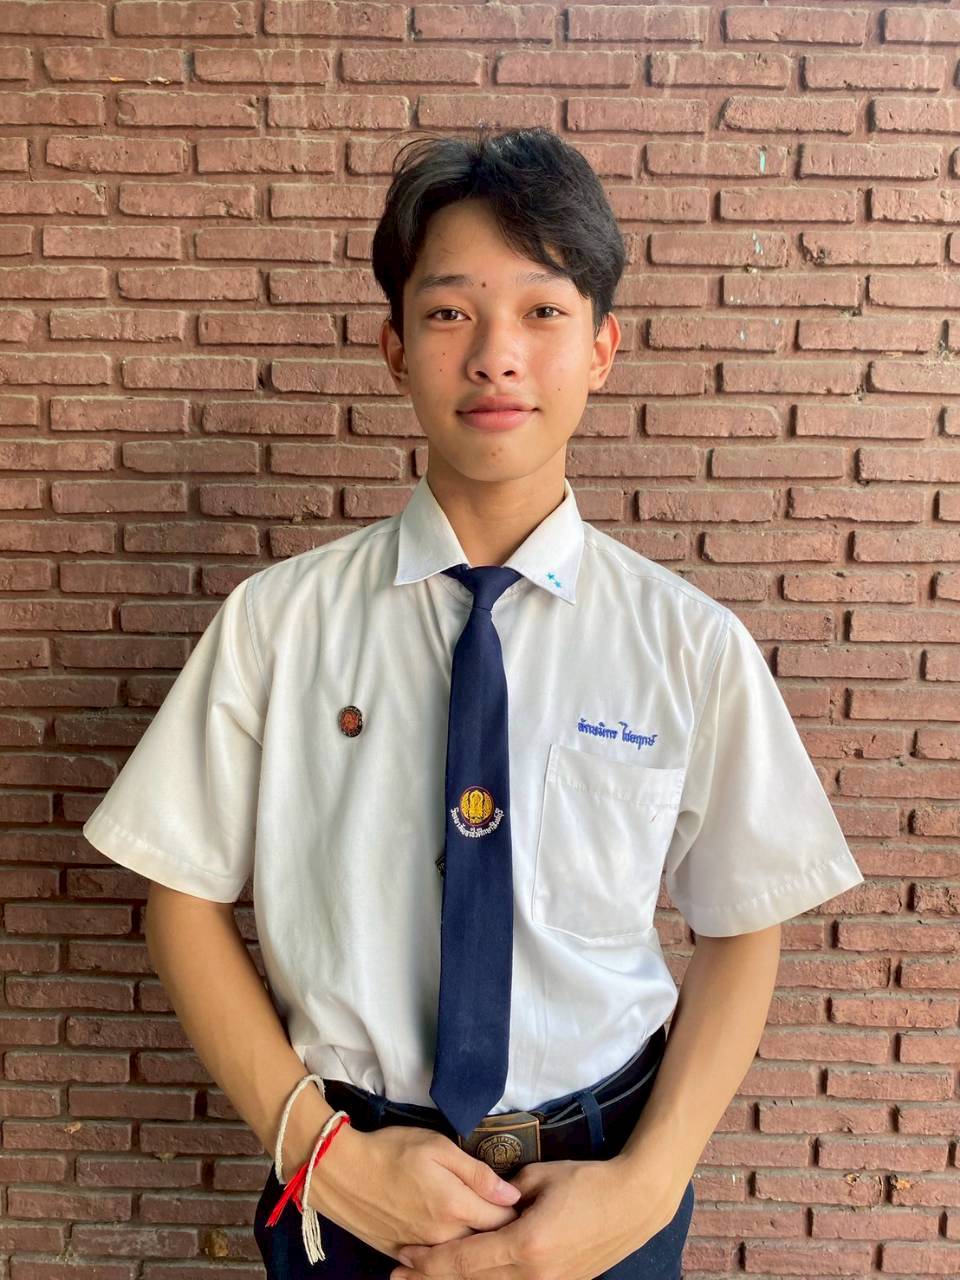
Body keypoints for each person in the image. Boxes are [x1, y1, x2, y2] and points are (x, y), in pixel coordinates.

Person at [81, 126, 866, 1280]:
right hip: (345, 1178)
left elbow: (746, 919)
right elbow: (181, 895)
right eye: (451, 312)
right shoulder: (277, 623)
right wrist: (318, 1152)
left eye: (543, 311)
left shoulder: (687, 644)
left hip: (604, 1184)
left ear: (602, 346)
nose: (498, 355)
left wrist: (647, 1185)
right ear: (396, 347)